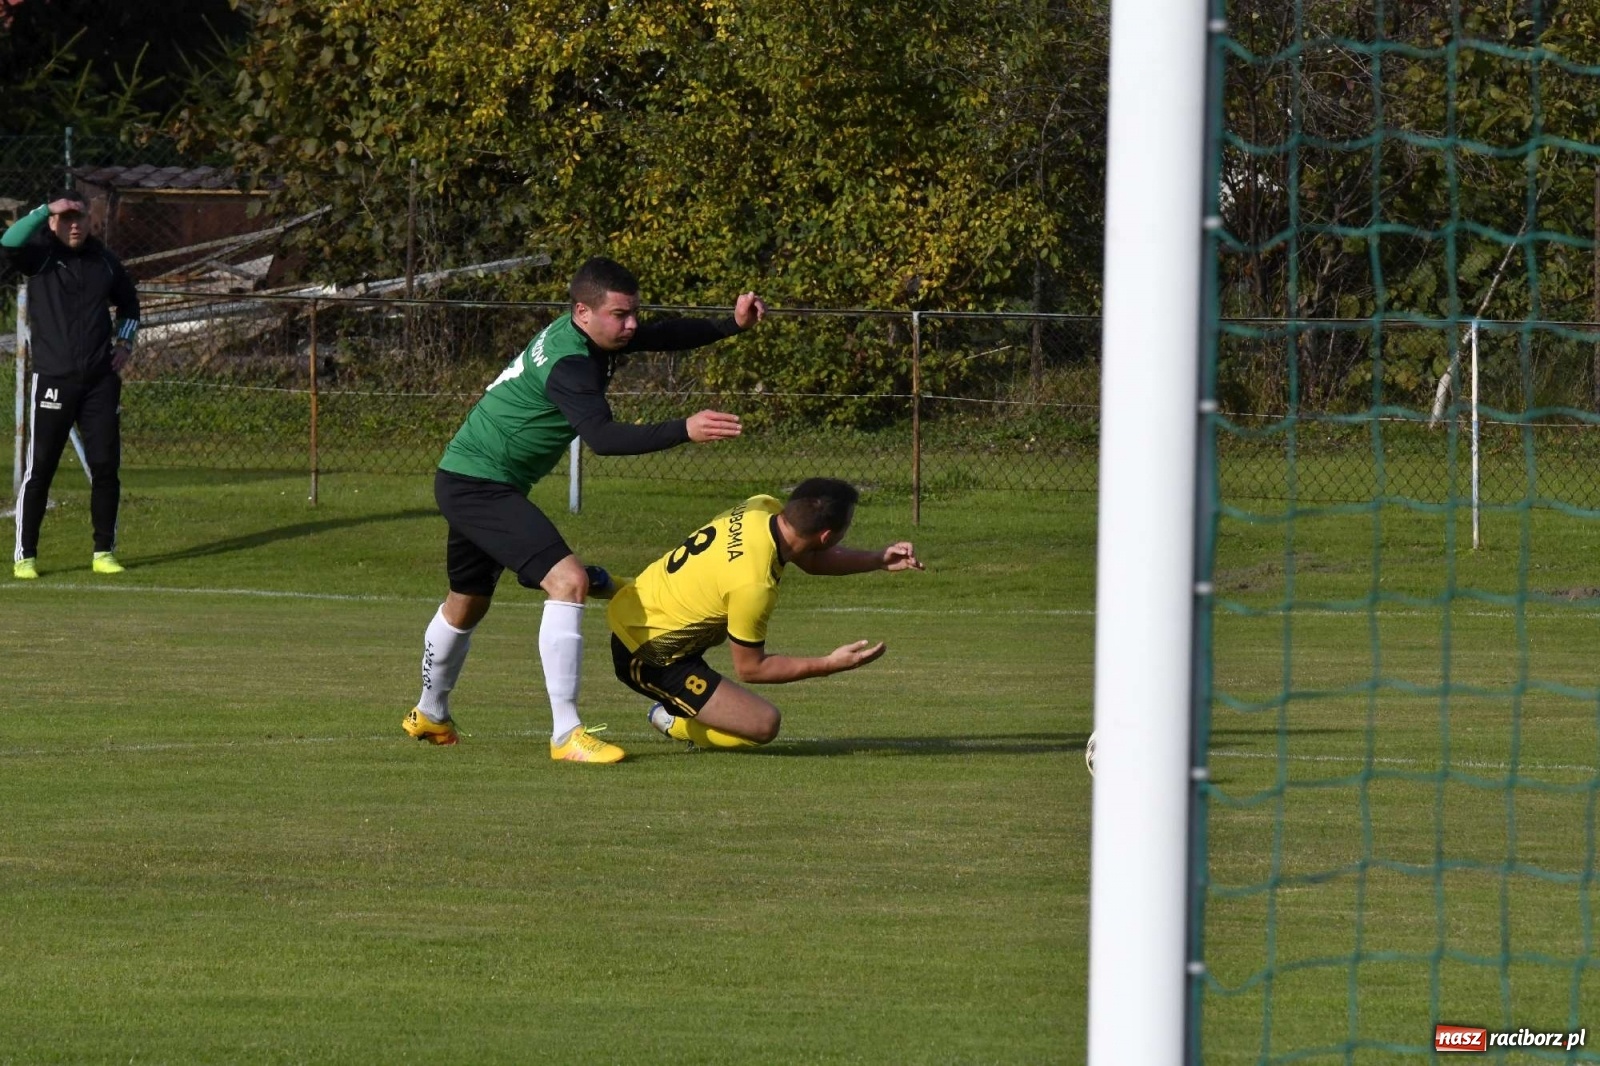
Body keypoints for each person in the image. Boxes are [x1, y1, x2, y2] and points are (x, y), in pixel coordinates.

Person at [404, 256, 766, 763]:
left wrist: (731, 324)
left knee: (466, 601)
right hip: (478, 485)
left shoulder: (594, 332)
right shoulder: (572, 365)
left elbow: (663, 334)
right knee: (568, 582)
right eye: (621, 315)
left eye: (633, 312)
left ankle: (429, 714)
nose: (632, 324)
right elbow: (604, 438)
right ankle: (566, 734)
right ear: (583, 312)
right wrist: (684, 427)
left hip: (474, 475)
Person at [606, 478, 923, 750]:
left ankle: (684, 710)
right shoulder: (754, 584)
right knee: (762, 724)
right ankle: (673, 721)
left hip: (645, 612)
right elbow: (752, 668)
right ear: (827, 536)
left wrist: (877, 559)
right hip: (647, 653)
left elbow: (809, 559)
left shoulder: (761, 507)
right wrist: (829, 665)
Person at [2, 190, 140, 579]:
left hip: (100, 382)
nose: (74, 225)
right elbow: (8, 242)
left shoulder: (105, 262)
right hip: (52, 379)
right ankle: (26, 556)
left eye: (79, 217)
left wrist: (125, 343)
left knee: (105, 466)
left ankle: (103, 551)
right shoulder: (40, 257)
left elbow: (130, 305)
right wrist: (45, 208)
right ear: (52, 223)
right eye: (65, 218)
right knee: (40, 467)